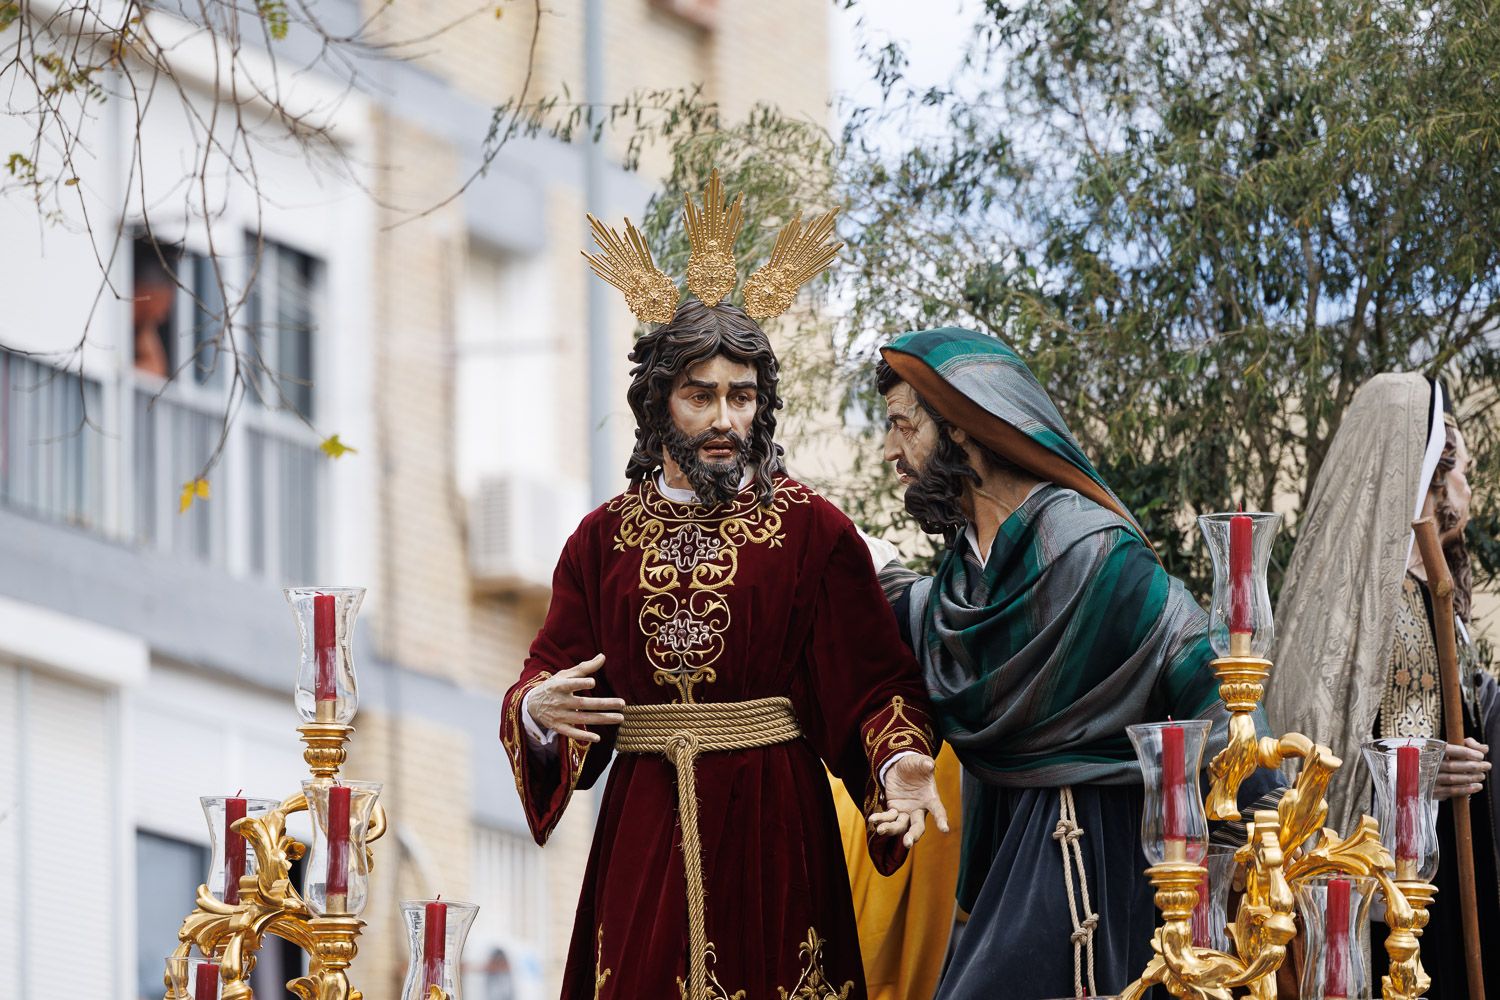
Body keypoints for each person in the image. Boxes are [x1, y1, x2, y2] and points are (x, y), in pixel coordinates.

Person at [499, 174, 948, 999]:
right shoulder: (602, 542)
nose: (723, 419)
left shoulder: (812, 529)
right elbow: (550, 669)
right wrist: (533, 712)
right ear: (658, 403)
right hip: (644, 830)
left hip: (773, 829)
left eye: (741, 397)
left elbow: (874, 680)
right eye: (700, 394)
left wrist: (902, 761)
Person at [868, 327, 1280, 1000]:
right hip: (1003, 839)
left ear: (964, 428)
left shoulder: (1092, 551)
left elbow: (1196, 656)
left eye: (902, 427)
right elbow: (933, 634)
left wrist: (1265, 813)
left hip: (1079, 846)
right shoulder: (961, 576)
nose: (891, 451)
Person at [1265, 373, 1498, 997]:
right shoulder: (1346, 605)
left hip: (1451, 860)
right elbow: (1320, 745)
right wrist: (1413, 779)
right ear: (1424, 473)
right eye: (1461, 470)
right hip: (1384, 881)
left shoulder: (1436, 588)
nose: (1469, 486)